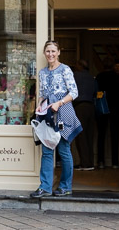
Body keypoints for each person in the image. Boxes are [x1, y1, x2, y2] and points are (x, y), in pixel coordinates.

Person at [30, 40, 82, 198]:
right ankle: (45, 187)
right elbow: (42, 94)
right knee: (46, 151)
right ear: (44, 53)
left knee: (64, 151)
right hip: (48, 114)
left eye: (53, 51)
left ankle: (65, 187)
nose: (50, 54)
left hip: (63, 112)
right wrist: (39, 105)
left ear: (59, 52)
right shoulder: (42, 72)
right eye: (48, 51)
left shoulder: (65, 69)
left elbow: (74, 92)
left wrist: (59, 103)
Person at [95, 59, 119, 169]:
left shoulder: (99, 77)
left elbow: (96, 92)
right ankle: (115, 162)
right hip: (115, 107)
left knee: (101, 135)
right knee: (115, 134)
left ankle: (101, 161)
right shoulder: (117, 77)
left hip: (103, 107)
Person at [72, 59, 97, 171]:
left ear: (80, 66)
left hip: (80, 106)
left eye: (76, 64)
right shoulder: (92, 77)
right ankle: (90, 162)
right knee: (89, 135)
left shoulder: (75, 76)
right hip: (91, 107)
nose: (75, 66)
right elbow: (97, 92)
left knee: (80, 135)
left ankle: (84, 163)